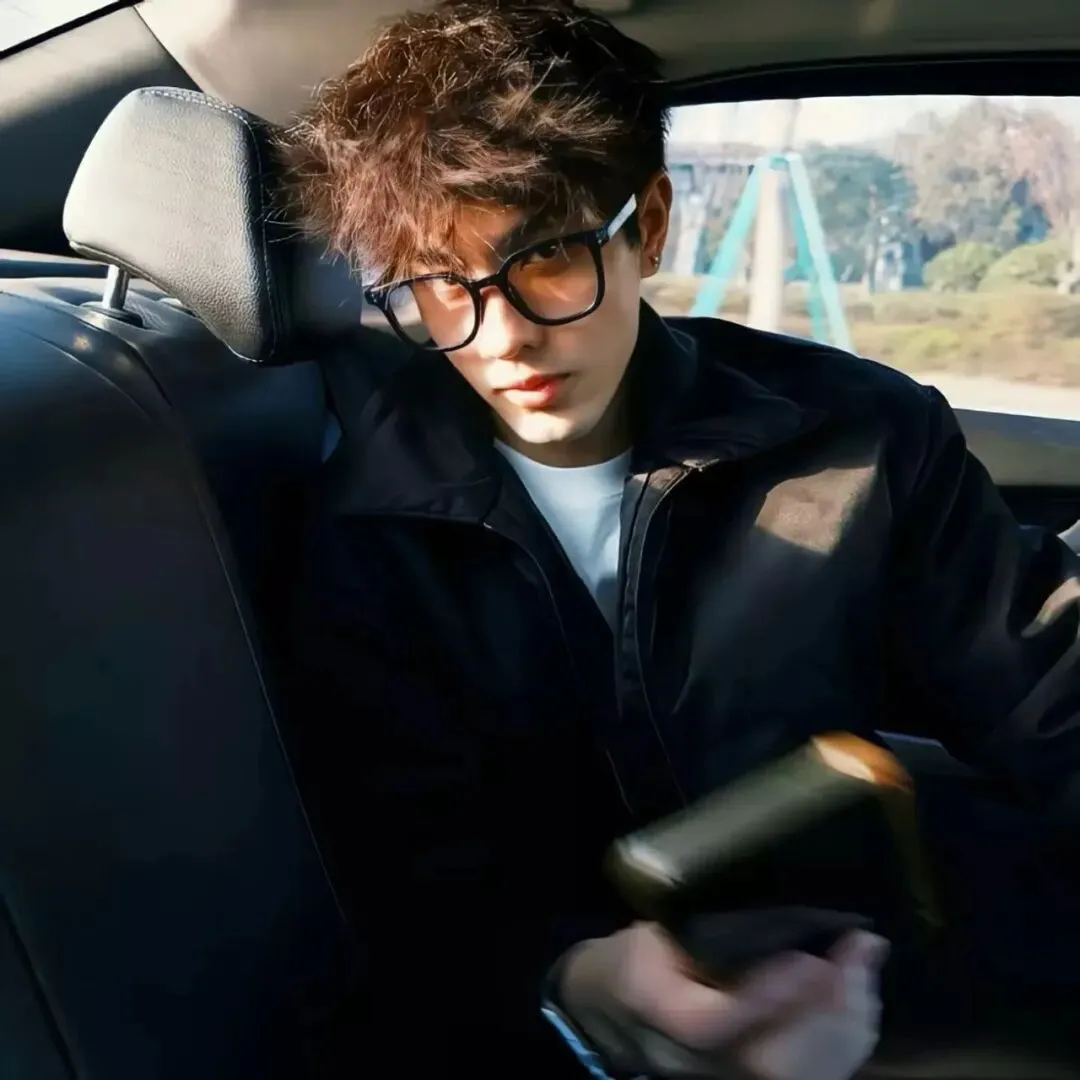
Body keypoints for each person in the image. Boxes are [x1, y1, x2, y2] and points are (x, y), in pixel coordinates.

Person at [273, 1, 1080, 1076]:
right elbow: (401, 876)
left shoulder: (859, 441)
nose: (501, 335)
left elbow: (1049, 692)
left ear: (648, 225)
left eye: (546, 258)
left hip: (864, 982)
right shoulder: (363, 527)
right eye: (439, 283)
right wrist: (569, 985)